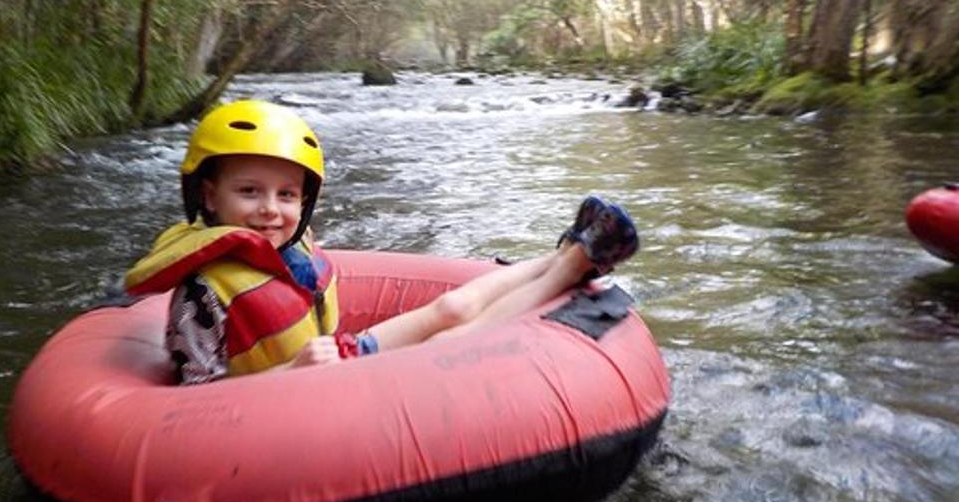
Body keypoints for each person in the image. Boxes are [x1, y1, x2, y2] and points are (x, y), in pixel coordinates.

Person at [125, 99, 639, 384]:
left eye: (287, 195)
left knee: (454, 304)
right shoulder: (201, 294)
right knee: (446, 342)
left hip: (339, 359)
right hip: (294, 398)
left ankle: (567, 249)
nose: (269, 209)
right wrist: (291, 369)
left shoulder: (290, 249)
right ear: (209, 196)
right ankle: (573, 266)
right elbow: (199, 399)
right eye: (249, 191)